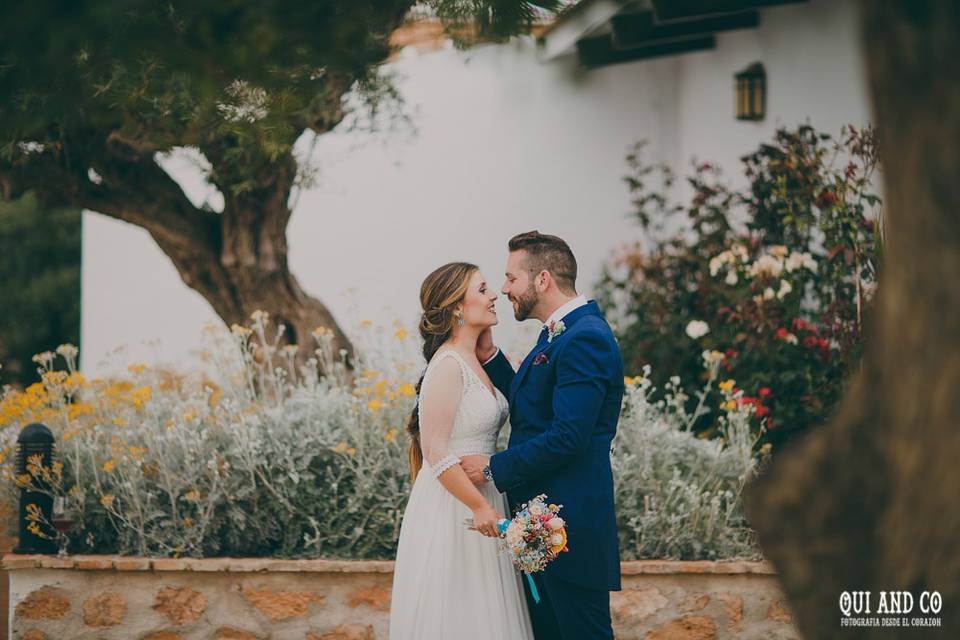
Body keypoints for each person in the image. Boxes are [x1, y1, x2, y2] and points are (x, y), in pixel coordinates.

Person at [461, 230, 625, 640]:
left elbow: (568, 436)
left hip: (570, 527)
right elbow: (538, 410)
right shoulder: (561, 332)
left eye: (511, 278)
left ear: (543, 279)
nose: (504, 288)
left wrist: (494, 467)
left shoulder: (585, 337)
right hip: (541, 528)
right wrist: (492, 360)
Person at [389, 262, 535, 640]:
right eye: (483, 289)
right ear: (457, 306)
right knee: (460, 615)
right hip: (456, 507)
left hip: (486, 498)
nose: (494, 296)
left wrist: (488, 348)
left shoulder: (476, 361)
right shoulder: (449, 365)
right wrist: (479, 506)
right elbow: (435, 449)